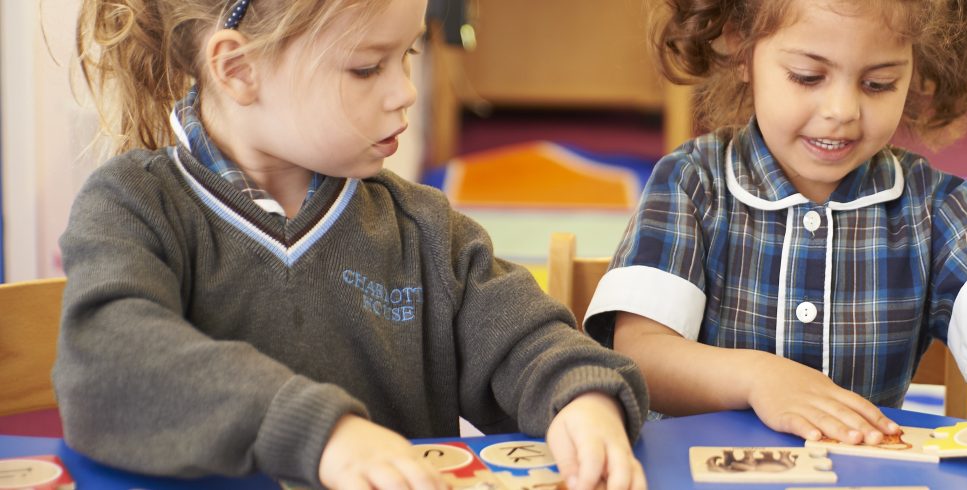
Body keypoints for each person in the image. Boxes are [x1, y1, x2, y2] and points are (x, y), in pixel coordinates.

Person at [56, 1, 647, 489]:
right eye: (367, 68)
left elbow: (528, 339)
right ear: (237, 69)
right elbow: (108, 361)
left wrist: (581, 396)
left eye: (407, 54)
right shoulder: (133, 205)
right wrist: (322, 433)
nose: (405, 92)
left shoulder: (423, 228)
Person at [584, 0, 967, 473]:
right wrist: (759, 378)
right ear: (741, 47)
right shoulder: (694, 183)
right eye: (807, 76)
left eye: (879, 83)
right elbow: (640, 356)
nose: (842, 110)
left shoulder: (931, 208)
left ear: (916, 67)